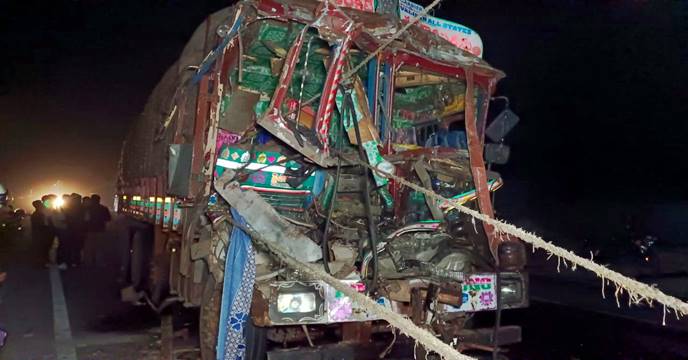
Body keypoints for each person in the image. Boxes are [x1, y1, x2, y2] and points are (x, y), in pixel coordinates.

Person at [84, 194, 111, 266]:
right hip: (100, 229)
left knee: (89, 246)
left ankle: (89, 261)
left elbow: (86, 219)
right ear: (99, 200)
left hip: (90, 230)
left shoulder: (88, 209)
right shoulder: (104, 208)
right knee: (99, 246)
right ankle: (98, 261)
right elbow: (108, 219)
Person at [30, 200, 51, 266]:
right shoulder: (38, 214)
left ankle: (40, 262)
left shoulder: (35, 214)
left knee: (40, 248)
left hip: (38, 233)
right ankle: (42, 262)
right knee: (41, 248)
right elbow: (41, 224)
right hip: (40, 233)